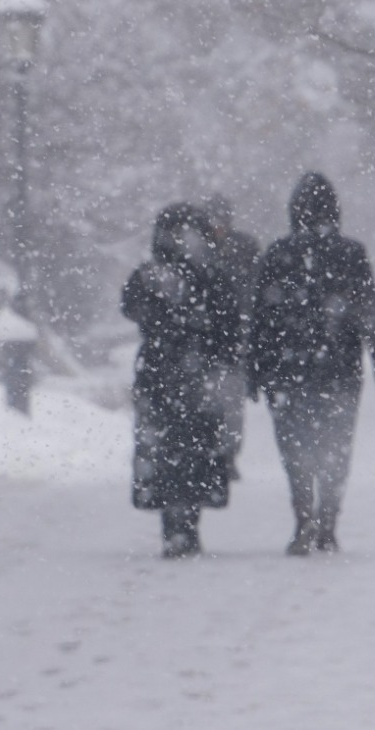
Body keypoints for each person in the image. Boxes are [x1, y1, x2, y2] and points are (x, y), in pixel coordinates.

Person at [247, 172, 375, 556]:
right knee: (336, 447)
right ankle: (328, 522)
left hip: (288, 371)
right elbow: (369, 314)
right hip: (339, 370)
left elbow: (261, 319)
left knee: (295, 448)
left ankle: (303, 519)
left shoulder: (278, 254)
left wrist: (255, 370)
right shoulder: (351, 253)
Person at [121, 203, 241, 558]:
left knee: (165, 449)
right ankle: (187, 521)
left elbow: (130, 307)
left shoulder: (151, 275)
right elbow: (229, 325)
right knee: (196, 448)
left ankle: (173, 524)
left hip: (160, 373)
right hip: (199, 376)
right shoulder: (212, 276)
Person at [201, 193, 261, 482]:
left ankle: (227, 454)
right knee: (209, 402)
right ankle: (212, 452)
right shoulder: (199, 252)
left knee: (232, 404)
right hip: (208, 343)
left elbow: (256, 290)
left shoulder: (244, 248)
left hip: (233, 340)